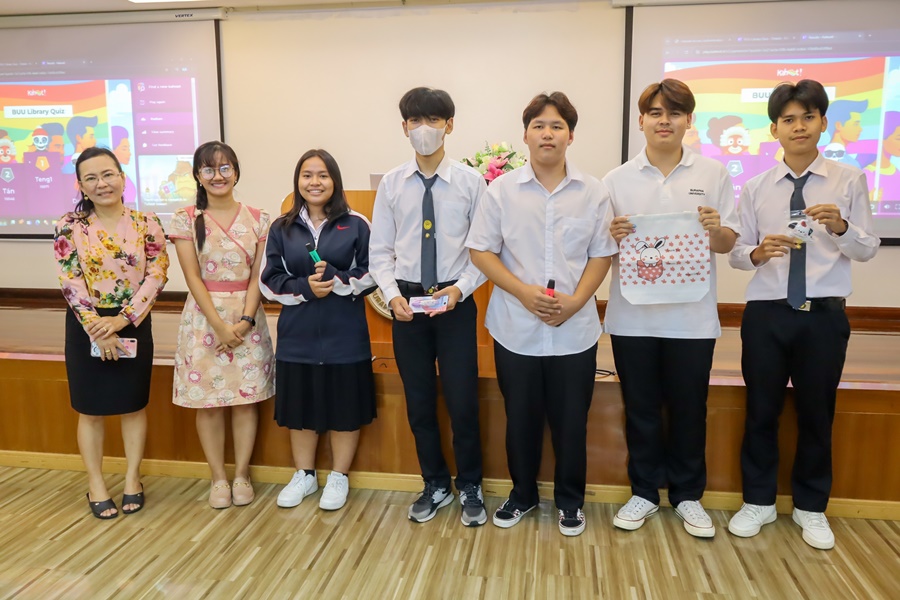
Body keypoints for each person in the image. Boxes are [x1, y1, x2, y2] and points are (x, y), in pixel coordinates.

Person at [728, 80, 880, 550]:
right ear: (774, 129)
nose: (799, 127)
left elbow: (867, 248)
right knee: (761, 411)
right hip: (767, 314)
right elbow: (736, 252)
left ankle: (811, 507)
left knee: (817, 412)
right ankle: (758, 501)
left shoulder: (848, 180)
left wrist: (841, 226)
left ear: (823, 123)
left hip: (823, 317)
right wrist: (757, 252)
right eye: (789, 119)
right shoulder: (755, 187)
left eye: (808, 117)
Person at [467, 92, 617, 537]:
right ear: (525, 135)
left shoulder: (594, 191)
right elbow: (481, 251)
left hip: (575, 329)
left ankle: (570, 501)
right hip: (515, 327)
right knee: (521, 419)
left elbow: (602, 254)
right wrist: (522, 293)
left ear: (571, 135)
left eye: (556, 126)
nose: (547, 133)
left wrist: (577, 301)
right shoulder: (501, 191)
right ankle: (523, 494)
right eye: (538, 125)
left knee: (572, 421)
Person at [604, 79, 739, 538]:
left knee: (689, 409)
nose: (665, 121)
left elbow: (727, 243)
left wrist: (716, 229)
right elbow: (599, 246)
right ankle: (644, 491)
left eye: (675, 113)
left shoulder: (713, 174)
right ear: (641, 120)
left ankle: (687, 495)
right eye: (657, 113)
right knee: (640, 408)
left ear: (689, 120)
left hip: (692, 319)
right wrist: (611, 234)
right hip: (632, 318)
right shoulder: (615, 180)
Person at [369, 87, 488, 526]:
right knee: (419, 402)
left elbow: (483, 250)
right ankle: (434, 482)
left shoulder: (472, 184)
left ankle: (470, 484)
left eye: (434, 120)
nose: (425, 129)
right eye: (416, 121)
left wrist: (460, 290)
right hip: (407, 304)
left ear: (449, 125)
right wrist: (392, 295)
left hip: (454, 302)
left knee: (462, 402)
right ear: (404, 127)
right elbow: (380, 251)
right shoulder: (391, 184)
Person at [54, 146, 169, 519]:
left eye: (108, 174)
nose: (101, 183)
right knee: (90, 410)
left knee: (132, 406)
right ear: (80, 185)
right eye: (91, 178)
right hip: (86, 324)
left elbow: (157, 273)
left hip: (132, 321)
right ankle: (97, 484)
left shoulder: (146, 222)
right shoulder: (69, 225)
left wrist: (123, 319)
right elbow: (70, 280)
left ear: (122, 176)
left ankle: (134, 478)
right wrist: (97, 328)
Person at [260, 149, 377, 511]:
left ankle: (339, 477)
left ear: (334, 181)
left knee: (345, 409)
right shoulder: (281, 227)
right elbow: (268, 281)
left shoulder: (356, 223)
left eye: (323, 175)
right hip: (298, 336)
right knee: (300, 410)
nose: (315, 182)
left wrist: (337, 280)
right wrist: (305, 288)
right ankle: (305, 475)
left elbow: (374, 271)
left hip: (346, 335)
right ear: (298, 181)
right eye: (307, 175)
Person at [168, 141, 276, 509]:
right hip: (203, 321)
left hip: (248, 318)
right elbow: (192, 277)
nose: (218, 176)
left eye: (225, 168)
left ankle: (242, 474)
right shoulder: (185, 219)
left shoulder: (259, 218)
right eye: (209, 169)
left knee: (246, 402)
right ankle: (217, 478)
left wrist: (245, 320)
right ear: (198, 176)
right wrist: (218, 325)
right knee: (209, 404)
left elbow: (258, 276)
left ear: (236, 172)